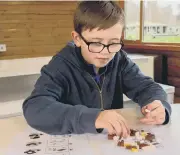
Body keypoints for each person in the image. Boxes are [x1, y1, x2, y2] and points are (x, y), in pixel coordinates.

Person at [23, 1, 171, 138]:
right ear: (77, 39)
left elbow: (147, 87)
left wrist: (158, 104)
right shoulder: (60, 65)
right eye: (95, 43)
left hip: (109, 141)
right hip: (75, 140)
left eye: (113, 43)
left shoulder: (119, 60)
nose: (105, 52)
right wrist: (94, 117)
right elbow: (35, 108)